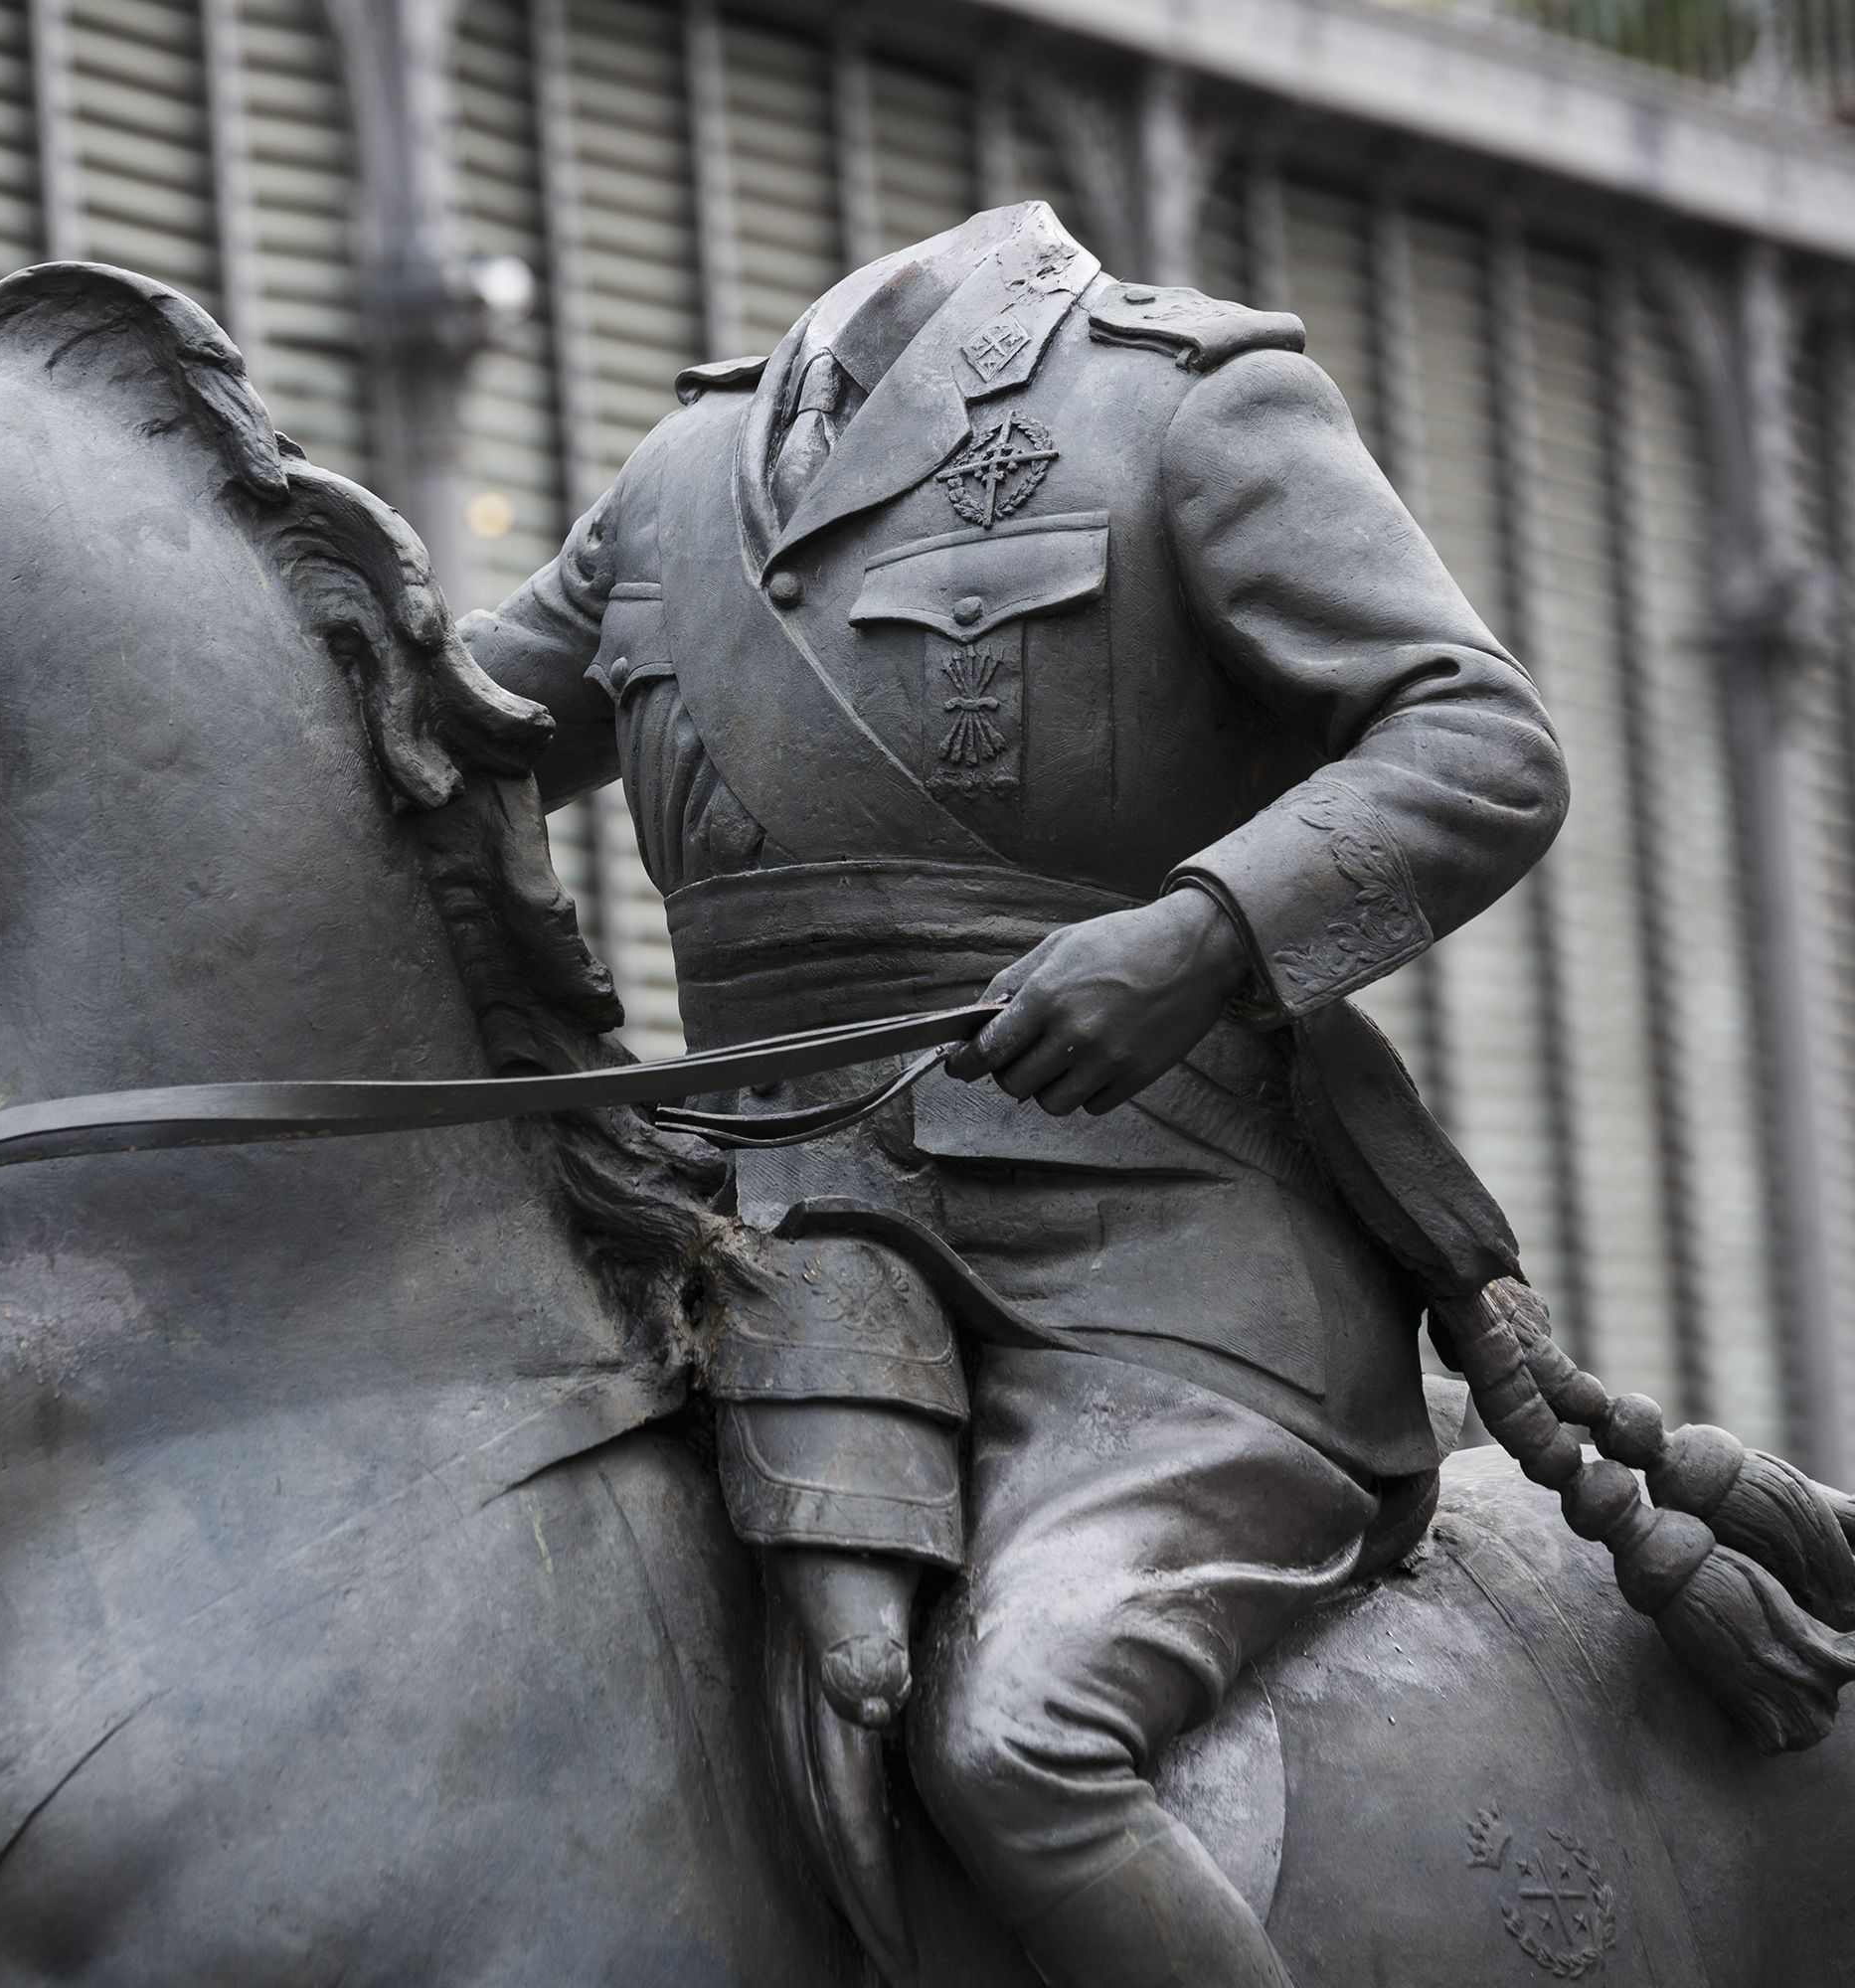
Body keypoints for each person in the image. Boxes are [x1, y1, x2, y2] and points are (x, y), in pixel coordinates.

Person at [458, 202, 1567, 1988]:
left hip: (1158, 1270)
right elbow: (434, 749)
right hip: (767, 1246)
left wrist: (1203, 936)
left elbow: (1480, 741)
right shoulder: (681, 479)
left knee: (1018, 1746)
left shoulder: (1184, 402)